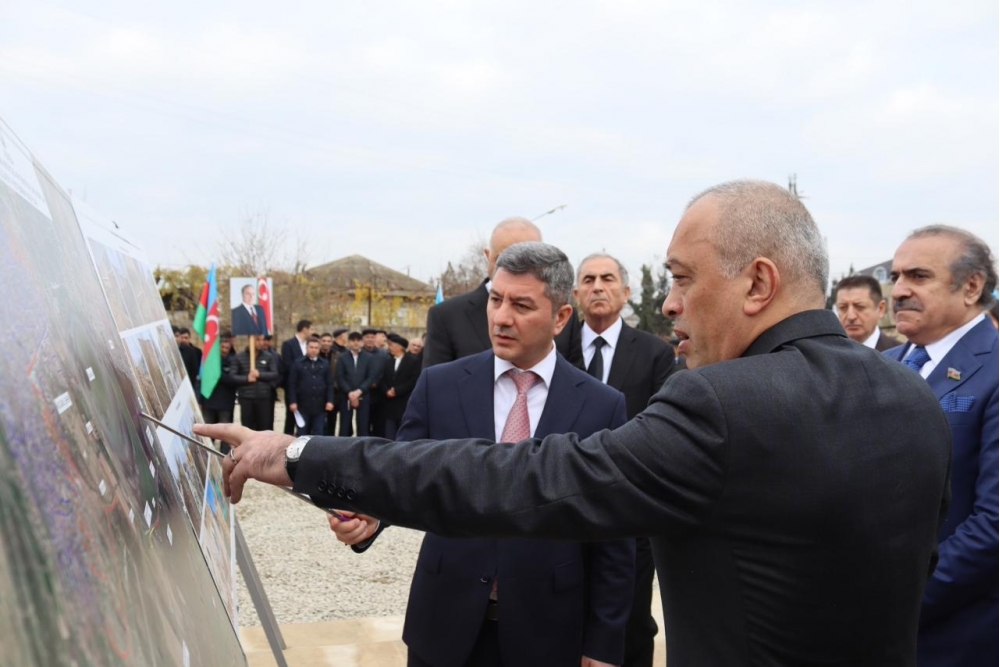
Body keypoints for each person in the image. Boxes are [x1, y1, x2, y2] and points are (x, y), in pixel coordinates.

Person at [199, 180, 953, 666]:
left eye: (682, 279)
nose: (669, 302)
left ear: (758, 282)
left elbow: (519, 479)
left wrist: (296, 454)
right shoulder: (913, 399)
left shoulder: (720, 406)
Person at [331, 243, 634, 667]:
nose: (502, 317)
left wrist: (602, 644)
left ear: (561, 317)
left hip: (547, 631)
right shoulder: (440, 386)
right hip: (444, 626)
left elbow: (615, 537)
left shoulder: (602, 406)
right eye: (496, 300)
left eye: (521, 305)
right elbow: (400, 475)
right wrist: (372, 517)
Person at [884, 225, 998, 667]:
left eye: (918, 276)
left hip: (953, 633)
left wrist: (896, 601)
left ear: (971, 287)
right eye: (895, 277)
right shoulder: (878, 366)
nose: (899, 291)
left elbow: (994, 525)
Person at [575, 252, 676, 667]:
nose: (598, 286)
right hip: (562, 508)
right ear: (575, 294)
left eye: (608, 278)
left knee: (630, 624)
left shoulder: (655, 354)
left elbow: (662, 429)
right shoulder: (554, 350)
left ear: (626, 292)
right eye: (588, 279)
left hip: (628, 513)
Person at [423, 217, 583, 369]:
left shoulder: (563, 317)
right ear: (488, 255)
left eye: (529, 259)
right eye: (504, 258)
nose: (501, 319)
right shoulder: (446, 316)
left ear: (560, 318)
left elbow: (576, 382)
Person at [833, 274, 901, 351]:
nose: (851, 316)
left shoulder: (901, 355)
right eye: (843, 307)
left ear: (880, 309)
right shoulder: (828, 354)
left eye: (859, 307)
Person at [334, 332, 381, 436]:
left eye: (358, 340)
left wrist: (359, 391)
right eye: (353, 340)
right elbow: (340, 377)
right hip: (346, 396)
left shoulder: (369, 357)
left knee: (363, 426)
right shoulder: (342, 357)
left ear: (362, 342)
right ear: (348, 342)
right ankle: (343, 446)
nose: (355, 343)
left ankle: (362, 446)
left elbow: (371, 377)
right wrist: (350, 393)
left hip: (363, 395)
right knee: (344, 426)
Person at [231, 334, 280, 431]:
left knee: (264, 428)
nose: (261, 342)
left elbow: (274, 374)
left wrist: (260, 374)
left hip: (263, 398)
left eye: (262, 340)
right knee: (247, 428)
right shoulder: (239, 357)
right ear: (250, 340)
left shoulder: (268, 357)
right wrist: (246, 378)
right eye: (258, 340)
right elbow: (233, 377)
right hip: (246, 398)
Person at [287, 337, 334, 436]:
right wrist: (293, 401)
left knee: (318, 432)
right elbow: (292, 384)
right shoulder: (298, 363)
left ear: (319, 349)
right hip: (302, 405)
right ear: (307, 348)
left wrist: (330, 401)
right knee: (302, 432)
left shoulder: (324, 364)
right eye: (311, 347)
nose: (313, 350)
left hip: (320, 405)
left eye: (316, 348)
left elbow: (329, 384)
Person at [379, 333, 421, 440]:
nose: (390, 348)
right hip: (389, 402)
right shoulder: (388, 361)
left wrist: (397, 390)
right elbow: (382, 379)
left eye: (392, 345)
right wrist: (387, 390)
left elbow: (413, 380)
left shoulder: (412, 361)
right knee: (389, 432)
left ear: (400, 347)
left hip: (404, 401)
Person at [279, 320, 313, 435]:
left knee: (305, 418)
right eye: (311, 329)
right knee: (291, 416)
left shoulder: (309, 345)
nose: (312, 332)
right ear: (304, 329)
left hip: (307, 388)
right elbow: (288, 365)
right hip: (293, 386)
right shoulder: (288, 344)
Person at [362, 328, 391, 437]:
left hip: (380, 393)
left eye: (372, 337)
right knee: (364, 424)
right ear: (363, 339)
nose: (370, 339)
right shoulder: (359, 353)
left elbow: (386, 371)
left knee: (379, 424)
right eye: (367, 337)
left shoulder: (384, 354)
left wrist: (377, 382)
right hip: (363, 392)